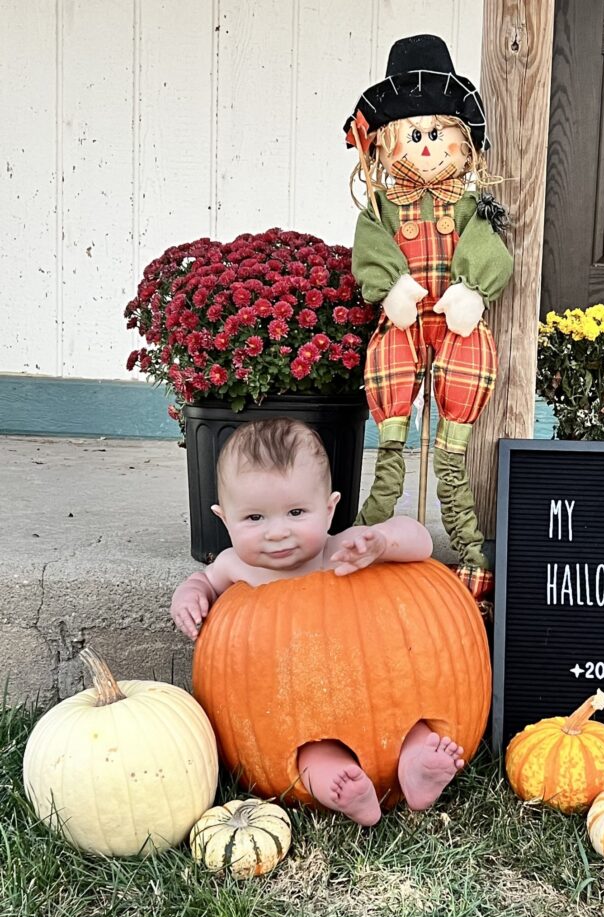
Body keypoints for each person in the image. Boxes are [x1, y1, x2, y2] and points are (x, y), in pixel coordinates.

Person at [171, 417, 463, 826]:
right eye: (255, 518)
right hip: (295, 704)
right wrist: (190, 596)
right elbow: (202, 581)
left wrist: (381, 543)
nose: (277, 532)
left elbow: (421, 541)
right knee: (310, 753)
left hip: (376, 685)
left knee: (407, 726)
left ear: (329, 510)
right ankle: (342, 790)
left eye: (295, 512)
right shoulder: (234, 566)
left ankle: (417, 762)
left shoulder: (339, 549)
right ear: (224, 519)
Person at [344, 34, 513, 606]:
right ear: (389, 143)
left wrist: (473, 286)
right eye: (413, 136)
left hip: (455, 322)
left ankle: (469, 550)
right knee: (393, 424)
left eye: (436, 134)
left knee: (451, 441)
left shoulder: (470, 205)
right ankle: (370, 531)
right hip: (405, 321)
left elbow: (491, 246)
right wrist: (388, 284)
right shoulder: (382, 208)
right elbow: (370, 248)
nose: (424, 147)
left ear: (460, 142)